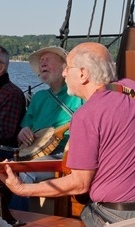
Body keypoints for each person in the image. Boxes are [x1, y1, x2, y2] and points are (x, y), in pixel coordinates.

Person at [0, 42, 135, 226]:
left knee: (84, 214)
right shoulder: (132, 89)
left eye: (68, 68)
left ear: (83, 74)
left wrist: (21, 189)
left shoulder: (85, 116)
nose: (64, 72)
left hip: (119, 216)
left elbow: (79, 184)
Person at [11, 47, 84, 210]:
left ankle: (15, 220)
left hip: (64, 156)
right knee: (3, 170)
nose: (42, 64)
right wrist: (22, 133)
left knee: (25, 173)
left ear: (65, 67)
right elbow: (23, 132)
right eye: (41, 62)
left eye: (47, 60)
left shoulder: (78, 94)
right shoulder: (39, 97)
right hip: (36, 153)